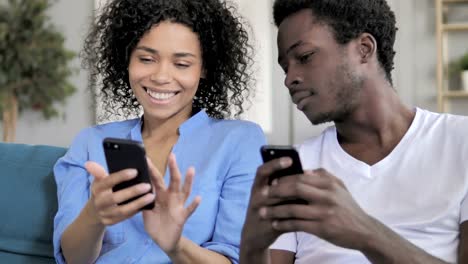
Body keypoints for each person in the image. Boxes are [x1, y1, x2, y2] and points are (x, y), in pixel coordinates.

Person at [240, 0, 468, 263]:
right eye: (285, 67)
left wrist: (363, 231)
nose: (290, 78)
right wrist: (251, 247)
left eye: (304, 57)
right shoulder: (298, 168)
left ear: (364, 49)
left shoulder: (460, 141)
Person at [53, 0, 266, 263]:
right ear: (127, 59)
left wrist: (175, 245)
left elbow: (237, 259)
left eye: (182, 64)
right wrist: (94, 215)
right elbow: (74, 259)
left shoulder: (239, 141)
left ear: (204, 69)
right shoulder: (90, 142)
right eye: (146, 59)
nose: (161, 76)